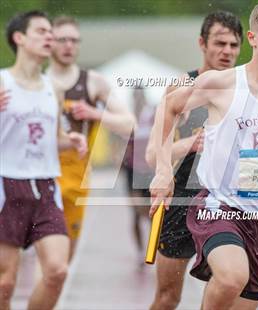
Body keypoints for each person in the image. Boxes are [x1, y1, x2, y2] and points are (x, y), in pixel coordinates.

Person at [149, 1, 258, 309]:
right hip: (218, 205)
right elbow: (168, 107)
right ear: (254, 38)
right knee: (232, 277)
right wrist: (164, 172)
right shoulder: (222, 83)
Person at [146, 11, 243, 309]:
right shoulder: (183, 87)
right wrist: (189, 144)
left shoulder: (245, 87)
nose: (227, 51)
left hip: (227, 203)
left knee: (231, 289)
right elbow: (152, 155)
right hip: (183, 201)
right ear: (202, 43)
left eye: (233, 45)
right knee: (167, 298)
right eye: (219, 43)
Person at [0, 11, 87, 310]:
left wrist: (70, 140)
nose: (49, 36)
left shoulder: (54, 88)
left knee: (57, 271)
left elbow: (51, 136)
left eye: (51, 31)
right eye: (41, 31)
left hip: (46, 186)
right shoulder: (2, 81)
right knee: (4, 283)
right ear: (19, 38)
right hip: (7, 185)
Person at [46, 15, 136, 259]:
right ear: (49, 42)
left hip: (75, 180)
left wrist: (96, 113)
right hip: (40, 177)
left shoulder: (93, 82)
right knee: (42, 262)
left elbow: (129, 122)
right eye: (62, 39)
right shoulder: (38, 82)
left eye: (74, 40)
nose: (68, 46)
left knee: (62, 265)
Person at [122, 86, 155, 265]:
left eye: (140, 97)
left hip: (149, 169)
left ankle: (152, 247)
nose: (137, 100)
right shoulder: (127, 116)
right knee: (135, 212)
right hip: (132, 169)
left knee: (150, 212)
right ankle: (140, 251)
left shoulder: (152, 115)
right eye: (135, 97)